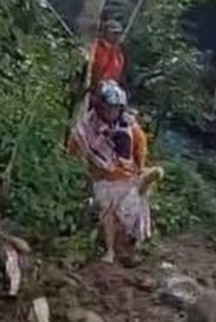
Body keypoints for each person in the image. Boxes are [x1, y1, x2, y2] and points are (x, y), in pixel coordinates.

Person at [67, 80, 161, 264]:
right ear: (100, 107)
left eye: (116, 109)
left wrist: (140, 167)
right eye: (109, 108)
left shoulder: (129, 126)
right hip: (101, 179)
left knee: (133, 209)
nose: (112, 112)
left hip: (127, 177)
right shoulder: (85, 128)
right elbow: (74, 151)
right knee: (108, 210)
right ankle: (109, 251)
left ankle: (133, 248)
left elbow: (140, 149)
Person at [88, 19, 126, 100]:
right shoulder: (96, 47)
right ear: (105, 33)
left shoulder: (118, 54)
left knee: (120, 96)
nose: (117, 36)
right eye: (114, 33)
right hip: (94, 85)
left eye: (119, 34)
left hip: (109, 86)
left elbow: (116, 75)